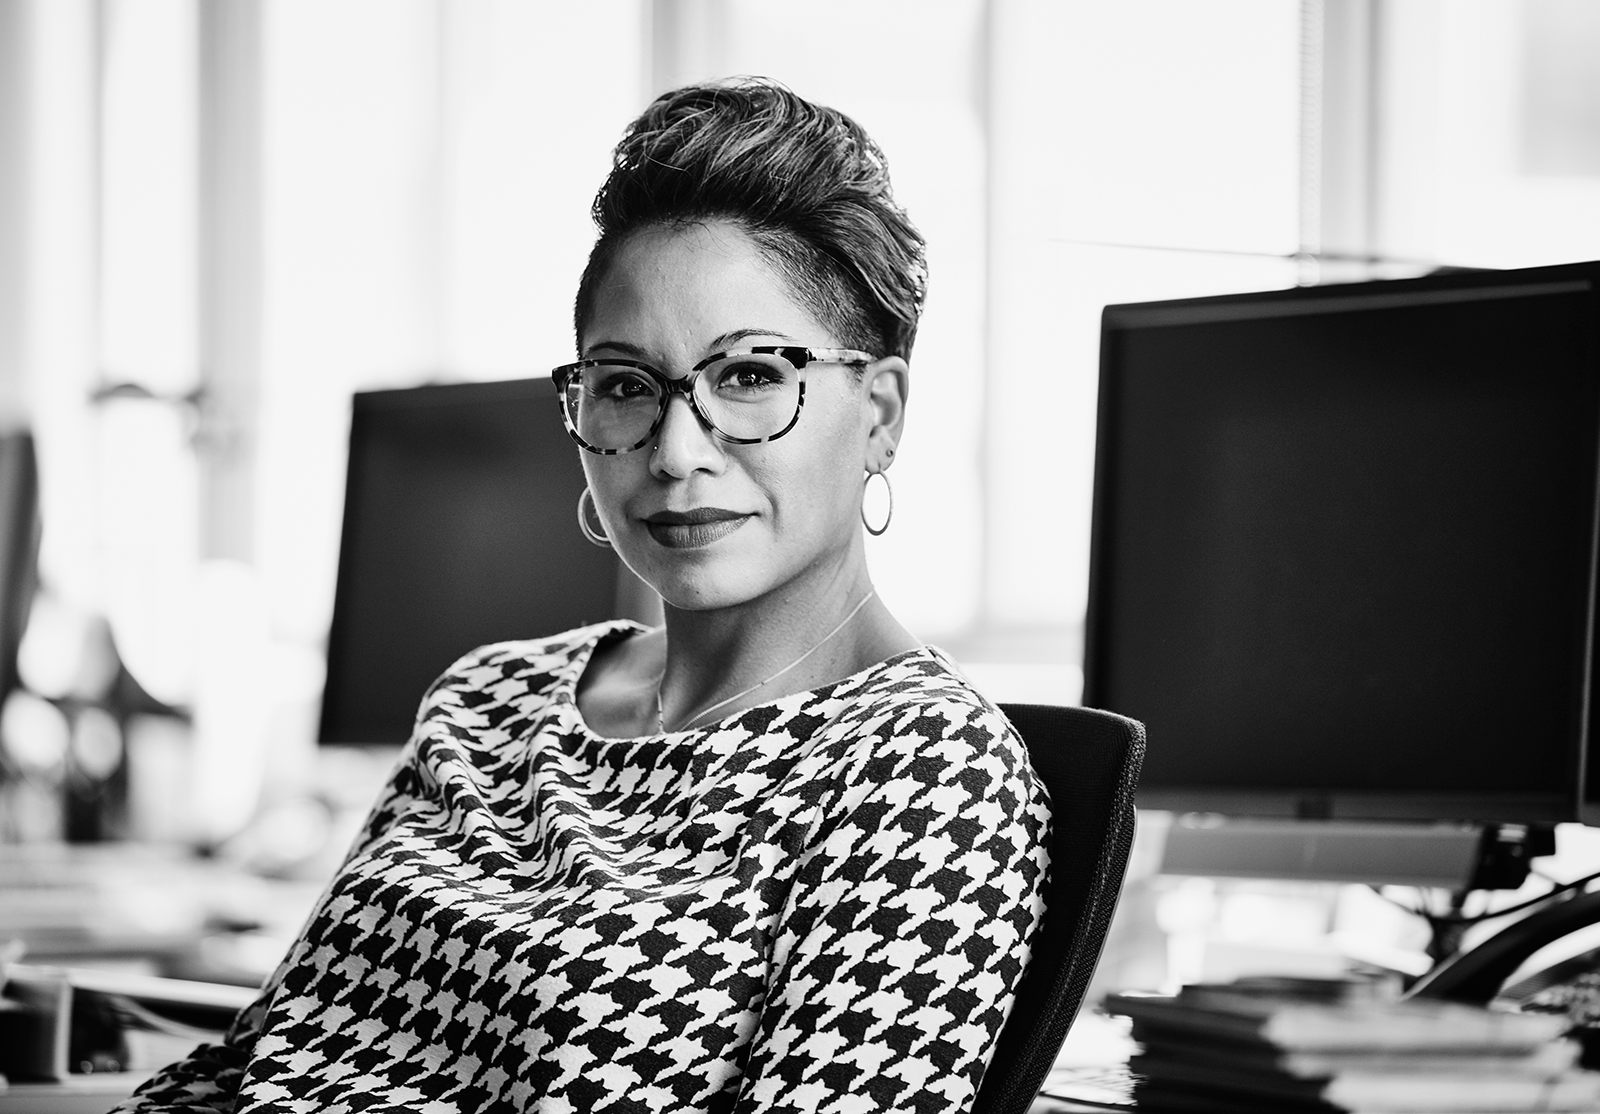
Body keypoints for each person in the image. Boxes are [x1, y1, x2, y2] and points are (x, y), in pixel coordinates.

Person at [116, 78, 1049, 1114]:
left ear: (878, 413)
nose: (676, 451)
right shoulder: (488, 700)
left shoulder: (923, 771)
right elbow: (251, 1062)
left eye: (747, 377)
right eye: (624, 385)